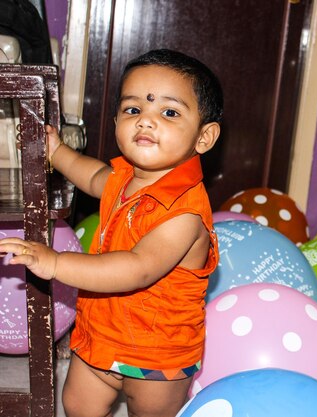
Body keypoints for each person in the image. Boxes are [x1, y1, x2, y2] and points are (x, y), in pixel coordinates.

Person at [0, 49, 222, 417]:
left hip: (158, 354)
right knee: (76, 404)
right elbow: (92, 176)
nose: (146, 122)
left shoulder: (184, 212)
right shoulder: (125, 178)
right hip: (101, 332)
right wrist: (56, 152)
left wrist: (56, 263)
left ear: (204, 137)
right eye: (134, 110)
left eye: (169, 112)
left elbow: (137, 268)